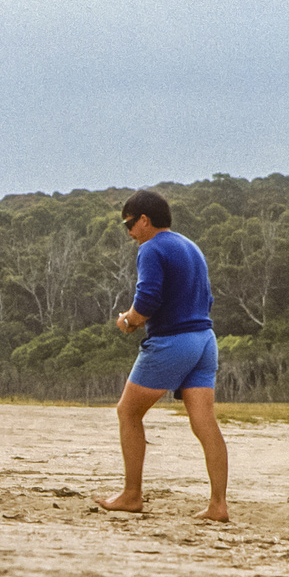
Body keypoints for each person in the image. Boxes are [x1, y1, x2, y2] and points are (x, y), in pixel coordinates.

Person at [95, 190, 229, 521]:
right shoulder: (190, 247)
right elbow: (206, 297)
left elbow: (149, 299)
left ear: (145, 220)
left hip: (174, 341)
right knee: (204, 421)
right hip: (204, 339)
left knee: (127, 412)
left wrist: (128, 320)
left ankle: (131, 495)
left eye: (129, 223)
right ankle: (218, 505)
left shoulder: (151, 248)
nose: (128, 232)